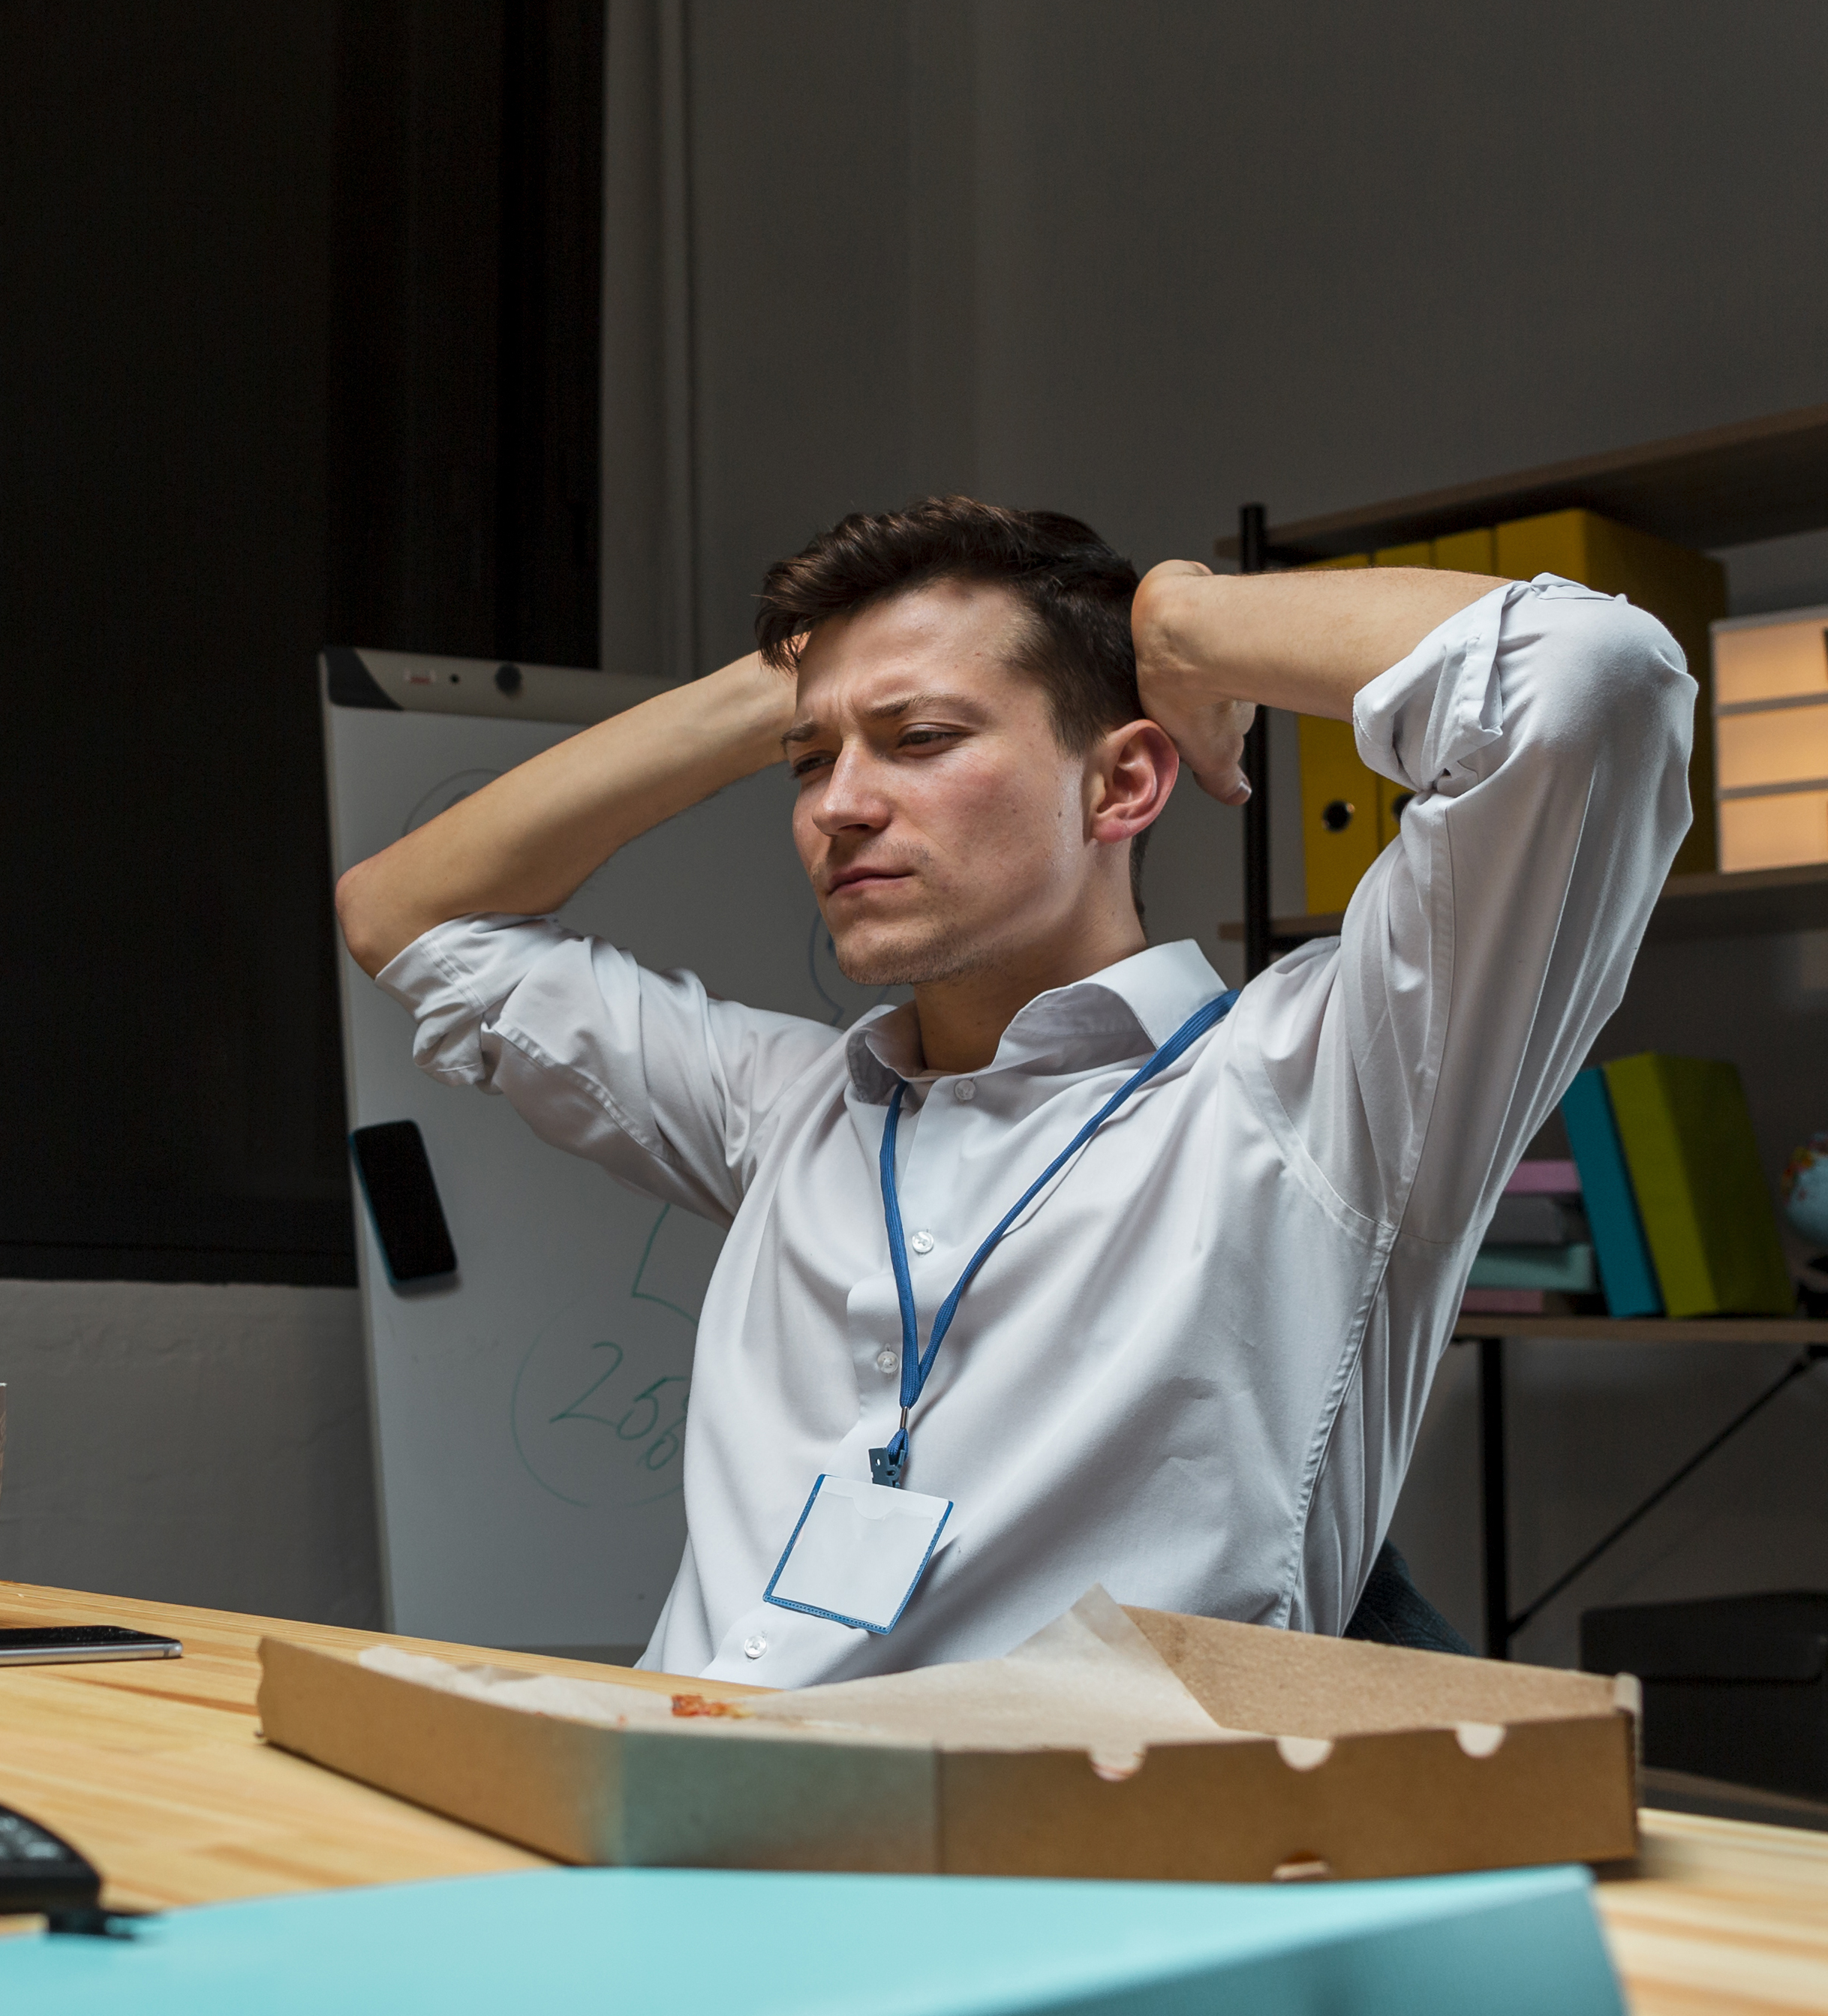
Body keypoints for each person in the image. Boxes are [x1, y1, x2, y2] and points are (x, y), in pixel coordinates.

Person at [332, 498, 1692, 1683]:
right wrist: (785, 690)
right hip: (663, 1804)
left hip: (1032, 1855)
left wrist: (1184, 625)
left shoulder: (1317, 1086)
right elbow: (404, 912)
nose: (836, 806)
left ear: (1122, 783)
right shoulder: (791, 1107)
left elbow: (1593, 681)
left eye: (919, 736)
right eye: (808, 765)